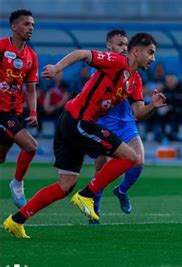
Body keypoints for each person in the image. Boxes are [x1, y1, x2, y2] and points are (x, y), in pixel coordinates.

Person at [3, 32, 167, 238]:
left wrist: (153, 106)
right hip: (78, 121)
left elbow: (137, 113)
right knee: (130, 156)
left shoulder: (135, 81)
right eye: (150, 53)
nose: (153, 58)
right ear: (136, 51)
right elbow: (82, 54)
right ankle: (86, 195)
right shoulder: (116, 62)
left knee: (65, 185)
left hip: (71, 122)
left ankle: (16, 220)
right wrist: (57, 68)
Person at [90, 29, 147, 225]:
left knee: (138, 161)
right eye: (120, 44)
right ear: (109, 46)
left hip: (125, 122)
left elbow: (136, 103)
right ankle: (94, 209)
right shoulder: (103, 65)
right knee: (101, 166)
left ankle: (121, 190)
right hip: (103, 122)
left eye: (126, 45)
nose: (124, 48)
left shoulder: (133, 71)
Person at [0, 9, 39, 209]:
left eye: (32, 24)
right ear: (14, 26)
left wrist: (33, 112)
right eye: (26, 24)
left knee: (1, 157)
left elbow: (31, 89)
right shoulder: (1, 47)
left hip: (15, 111)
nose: (30, 28)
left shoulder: (31, 56)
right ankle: (17, 185)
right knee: (31, 146)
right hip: (1, 110)